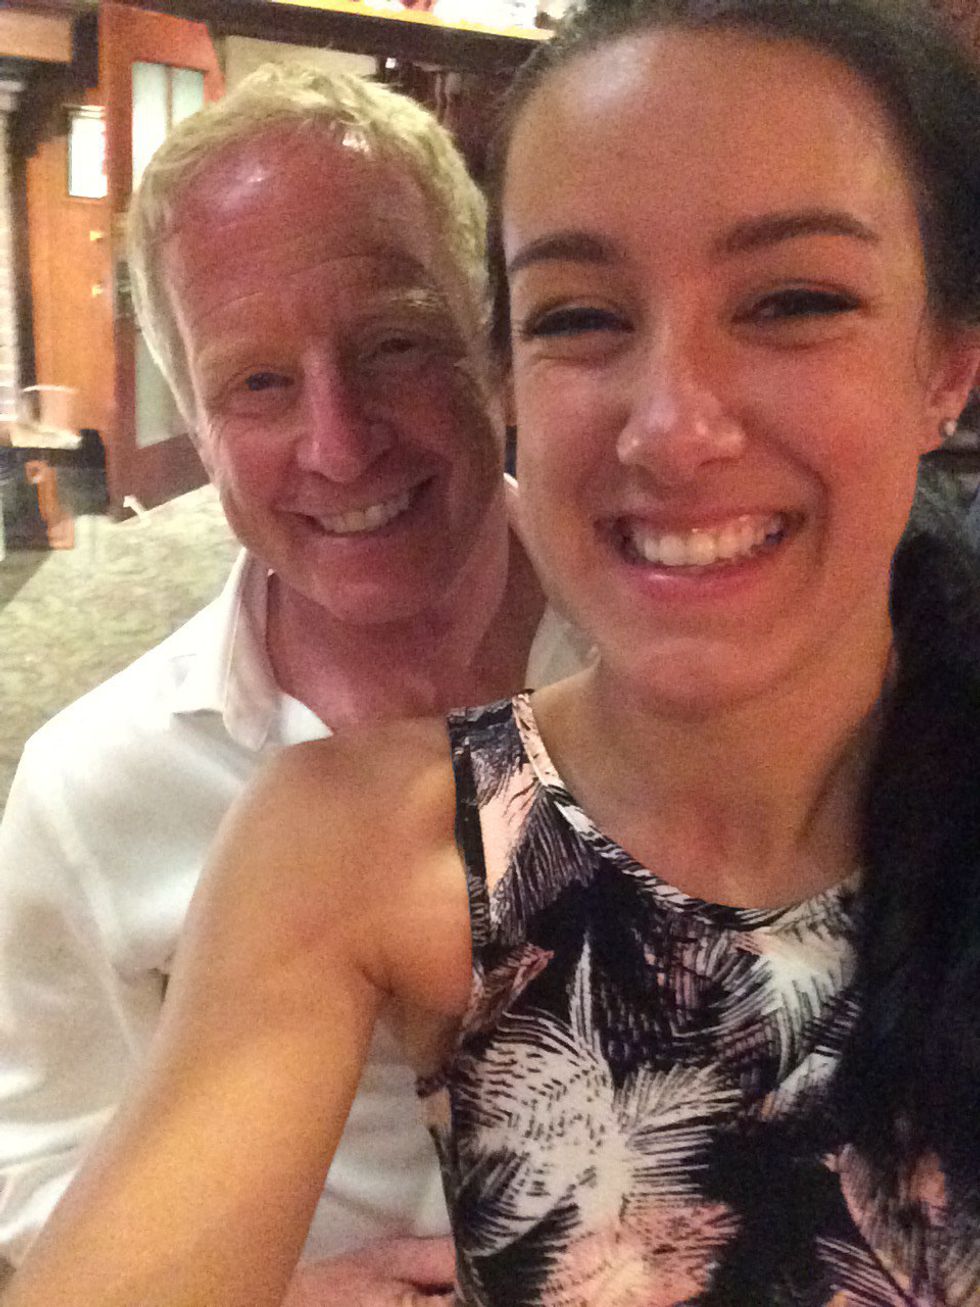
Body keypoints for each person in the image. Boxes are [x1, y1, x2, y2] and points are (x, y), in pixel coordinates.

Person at [7, 0, 980, 1302]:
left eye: (793, 299)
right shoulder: (282, 827)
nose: (674, 428)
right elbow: (46, 1170)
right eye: (582, 314)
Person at [0, 63, 586, 1303]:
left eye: (394, 344)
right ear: (196, 423)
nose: (338, 441)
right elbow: (33, 1160)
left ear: (490, 342)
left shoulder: (681, 662)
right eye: (258, 383)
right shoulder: (93, 787)